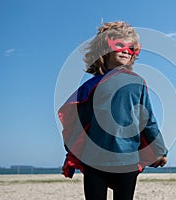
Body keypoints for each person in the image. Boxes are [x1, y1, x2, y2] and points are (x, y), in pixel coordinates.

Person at [58, 21, 168, 200]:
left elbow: (147, 120)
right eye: (119, 45)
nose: (126, 50)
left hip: (127, 161)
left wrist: (159, 150)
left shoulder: (138, 83)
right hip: (95, 160)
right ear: (103, 50)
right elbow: (79, 121)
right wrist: (70, 150)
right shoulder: (90, 87)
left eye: (131, 48)